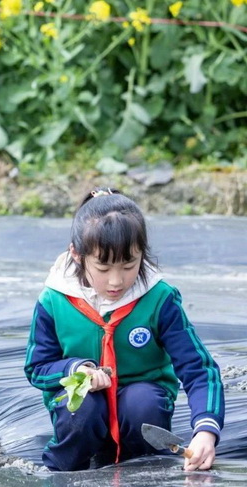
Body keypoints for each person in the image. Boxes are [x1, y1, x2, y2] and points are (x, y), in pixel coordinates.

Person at [24, 188, 225, 472]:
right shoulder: (54, 300)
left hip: (141, 408)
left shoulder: (159, 299)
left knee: (141, 403)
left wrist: (206, 430)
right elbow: (37, 368)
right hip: (83, 414)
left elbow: (199, 369)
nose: (116, 281)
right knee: (82, 407)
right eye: (103, 268)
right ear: (77, 255)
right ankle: (63, 471)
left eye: (129, 265)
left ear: (142, 254)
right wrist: (75, 370)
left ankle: (145, 470)